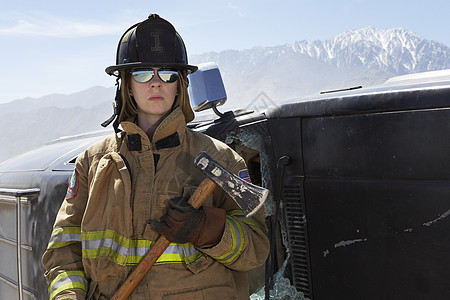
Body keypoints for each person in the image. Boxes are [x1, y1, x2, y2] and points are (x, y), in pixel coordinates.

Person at [42, 14, 269, 300]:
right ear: (126, 85)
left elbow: (256, 250)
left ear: (180, 85)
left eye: (168, 74)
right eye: (142, 73)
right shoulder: (93, 163)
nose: (155, 83)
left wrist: (204, 229)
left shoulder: (221, 159)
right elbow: (64, 248)